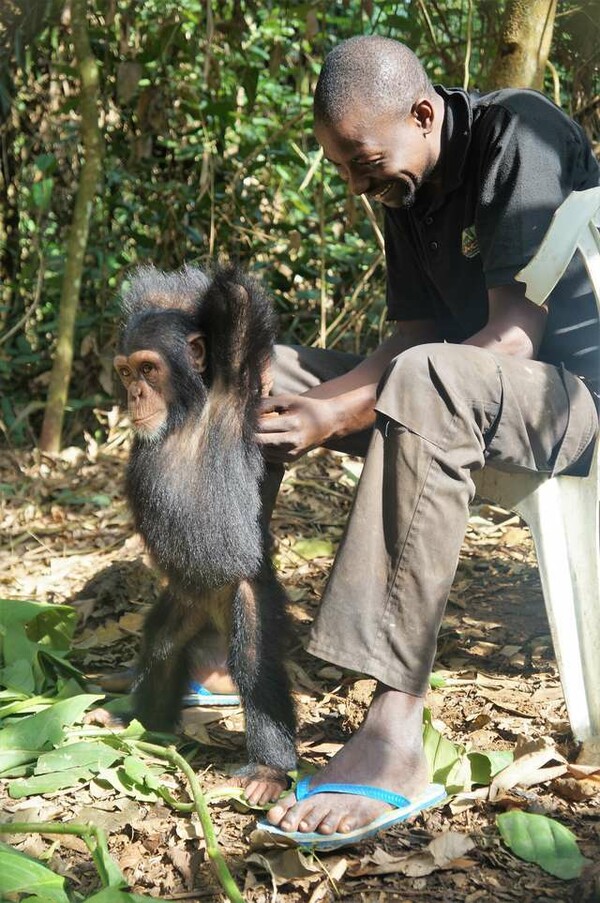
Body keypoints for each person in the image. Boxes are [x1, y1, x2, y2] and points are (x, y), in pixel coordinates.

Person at [249, 35, 599, 844]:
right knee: (258, 368)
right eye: (344, 170)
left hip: (568, 400)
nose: (357, 184)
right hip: (452, 389)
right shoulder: (405, 188)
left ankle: (394, 733)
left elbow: (511, 340)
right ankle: (228, 644)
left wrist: (338, 414)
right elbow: (405, 338)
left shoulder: (519, 136)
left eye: (363, 161)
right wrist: (311, 402)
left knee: (429, 379)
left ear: (421, 111)